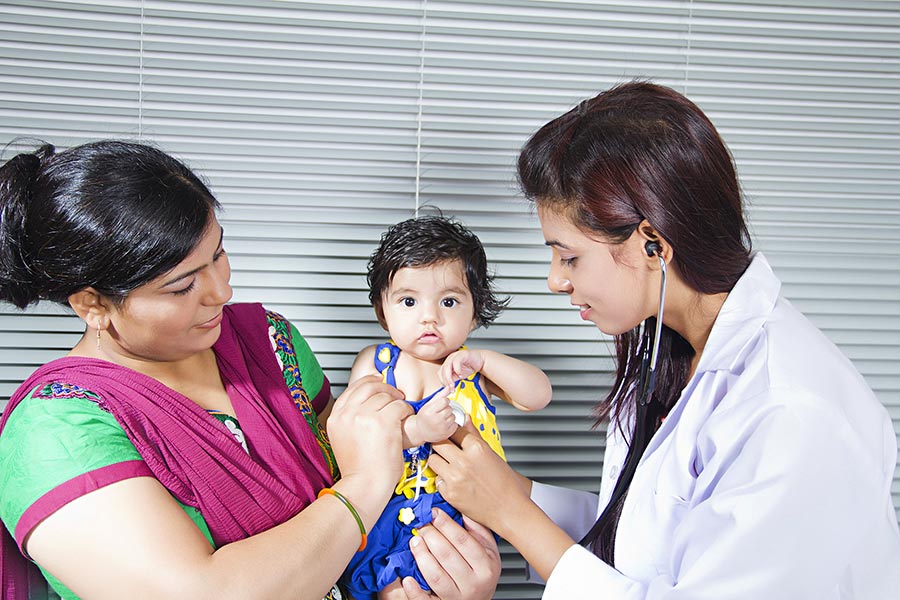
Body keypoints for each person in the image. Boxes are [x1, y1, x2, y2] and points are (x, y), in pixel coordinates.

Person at [423, 81, 900, 599]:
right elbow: (651, 536)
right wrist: (512, 491)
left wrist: (513, 516)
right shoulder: (676, 352)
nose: (555, 280)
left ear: (652, 244)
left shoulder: (792, 410)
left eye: (569, 256)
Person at [0, 140, 501, 600]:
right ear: (92, 304)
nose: (221, 291)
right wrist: (366, 482)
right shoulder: (55, 435)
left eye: (218, 254)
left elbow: (379, 518)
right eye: (181, 286)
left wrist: (443, 575)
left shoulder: (268, 340)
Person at [342, 216, 552, 599]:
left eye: (449, 302)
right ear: (382, 311)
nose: (429, 317)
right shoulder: (376, 362)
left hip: (458, 512)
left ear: (474, 313)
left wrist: (486, 361)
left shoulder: (471, 369)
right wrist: (418, 431)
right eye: (408, 301)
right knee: (392, 585)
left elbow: (537, 395)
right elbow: (355, 437)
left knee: (453, 577)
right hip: (390, 512)